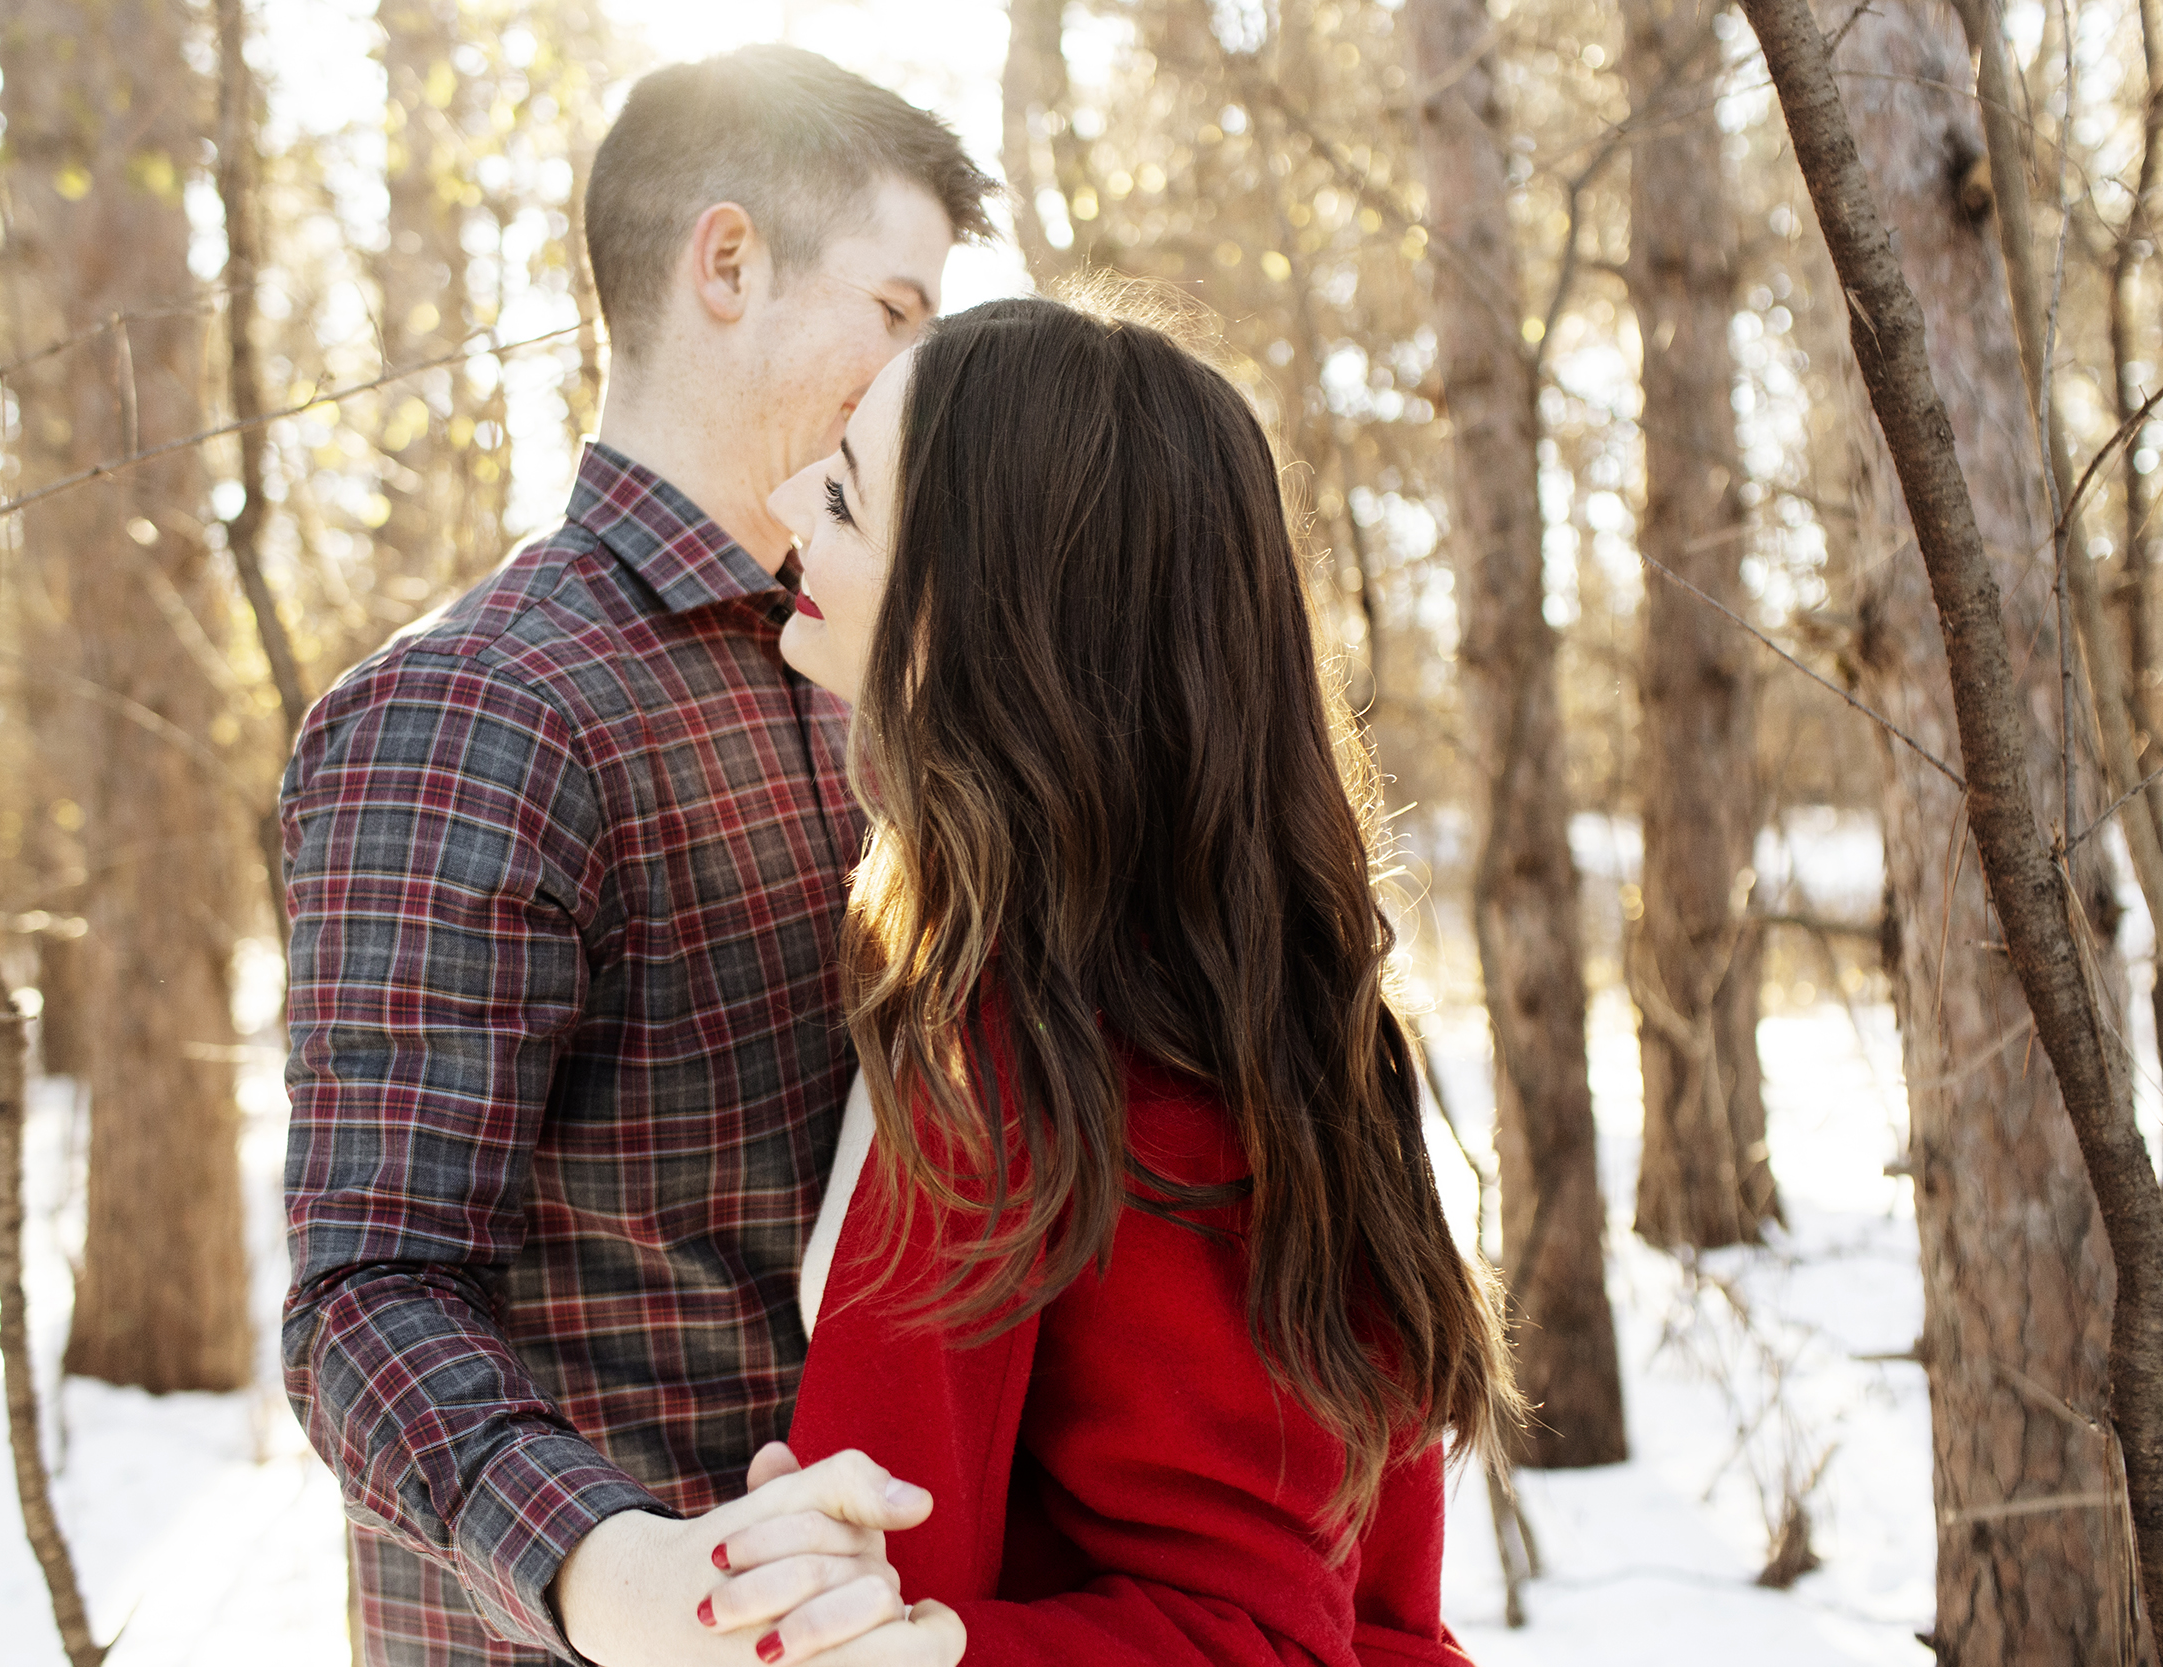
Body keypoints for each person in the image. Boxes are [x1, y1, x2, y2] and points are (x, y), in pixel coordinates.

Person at [279, 45, 994, 1667]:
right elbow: (365, 1298)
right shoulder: (476, 706)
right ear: (727, 263)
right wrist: (607, 1572)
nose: (912, 383)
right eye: (893, 315)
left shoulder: (854, 679)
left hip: (854, 1619)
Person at [686, 294, 1519, 1665]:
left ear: (972, 605)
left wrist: (920, 1651)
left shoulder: (1065, 1052)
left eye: (843, 494)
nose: (788, 501)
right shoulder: (1226, 999)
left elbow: (1284, 1634)